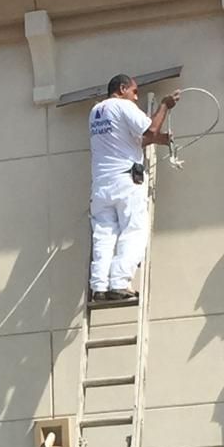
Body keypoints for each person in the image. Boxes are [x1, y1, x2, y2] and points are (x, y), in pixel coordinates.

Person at [88, 74, 179, 302]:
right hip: (126, 182)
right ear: (122, 89)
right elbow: (148, 131)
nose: (136, 98)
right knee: (134, 231)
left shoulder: (96, 112)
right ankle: (119, 283)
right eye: (134, 92)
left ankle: (99, 286)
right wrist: (165, 106)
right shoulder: (123, 106)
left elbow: (134, 140)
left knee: (105, 235)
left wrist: (161, 139)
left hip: (101, 185)